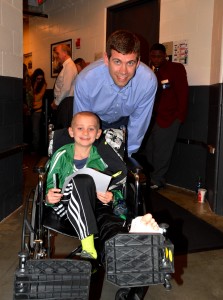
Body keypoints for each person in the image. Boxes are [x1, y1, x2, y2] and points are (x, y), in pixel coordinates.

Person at [45, 111, 160, 260]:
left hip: (97, 206)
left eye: (91, 129)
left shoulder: (103, 157)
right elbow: (49, 184)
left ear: (98, 133)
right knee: (82, 179)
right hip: (67, 206)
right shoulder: (61, 155)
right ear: (71, 132)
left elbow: (115, 184)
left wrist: (112, 196)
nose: (85, 132)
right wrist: (49, 197)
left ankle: (124, 256)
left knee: (109, 224)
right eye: (80, 128)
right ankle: (88, 248)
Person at [73, 29, 157, 156]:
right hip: (94, 121)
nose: (123, 71)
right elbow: (82, 124)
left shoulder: (147, 81)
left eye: (130, 63)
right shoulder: (86, 80)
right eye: (117, 62)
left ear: (138, 62)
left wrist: (125, 157)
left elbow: (138, 125)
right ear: (106, 59)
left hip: (124, 122)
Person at [145, 43, 189, 190]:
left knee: (162, 152)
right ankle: (150, 177)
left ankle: (157, 179)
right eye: (153, 56)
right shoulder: (147, 70)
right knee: (149, 150)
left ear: (165, 56)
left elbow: (183, 94)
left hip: (169, 118)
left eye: (158, 56)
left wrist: (179, 118)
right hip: (150, 119)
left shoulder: (175, 69)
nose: (155, 59)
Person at [51, 43, 78, 129]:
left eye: (58, 53)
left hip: (66, 103)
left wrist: (56, 103)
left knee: (64, 130)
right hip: (65, 102)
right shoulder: (67, 66)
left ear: (65, 53)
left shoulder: (69, 66)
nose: (56, 56)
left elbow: (66, 88)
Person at [30, 68, 47, 153]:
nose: (40, 80)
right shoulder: (30, 82)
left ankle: (35, 150)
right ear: (35, 77)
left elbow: (38, 97)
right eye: (38, 78)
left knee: (35, 131)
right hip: (29, 110)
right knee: (29, 130)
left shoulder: (43, 85)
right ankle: (30, 148)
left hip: (37, 111)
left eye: (41, 78)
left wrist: (30, 96)